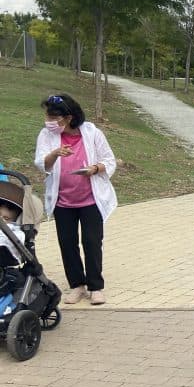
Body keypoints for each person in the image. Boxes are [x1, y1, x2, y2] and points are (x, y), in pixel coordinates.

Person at [34, 94, 117, 306]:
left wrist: (95, 168)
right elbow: (40, 163)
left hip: (91, 200)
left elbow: (109, 159)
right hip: (63, 201)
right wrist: (55, 153)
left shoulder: (91, 132)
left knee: (91, 242)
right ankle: (77, 286)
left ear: (68, 117)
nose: (49, 121)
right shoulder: (46, 135)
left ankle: (95, 287)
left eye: (54, 117)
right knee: (67, 244)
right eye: (48, 116)